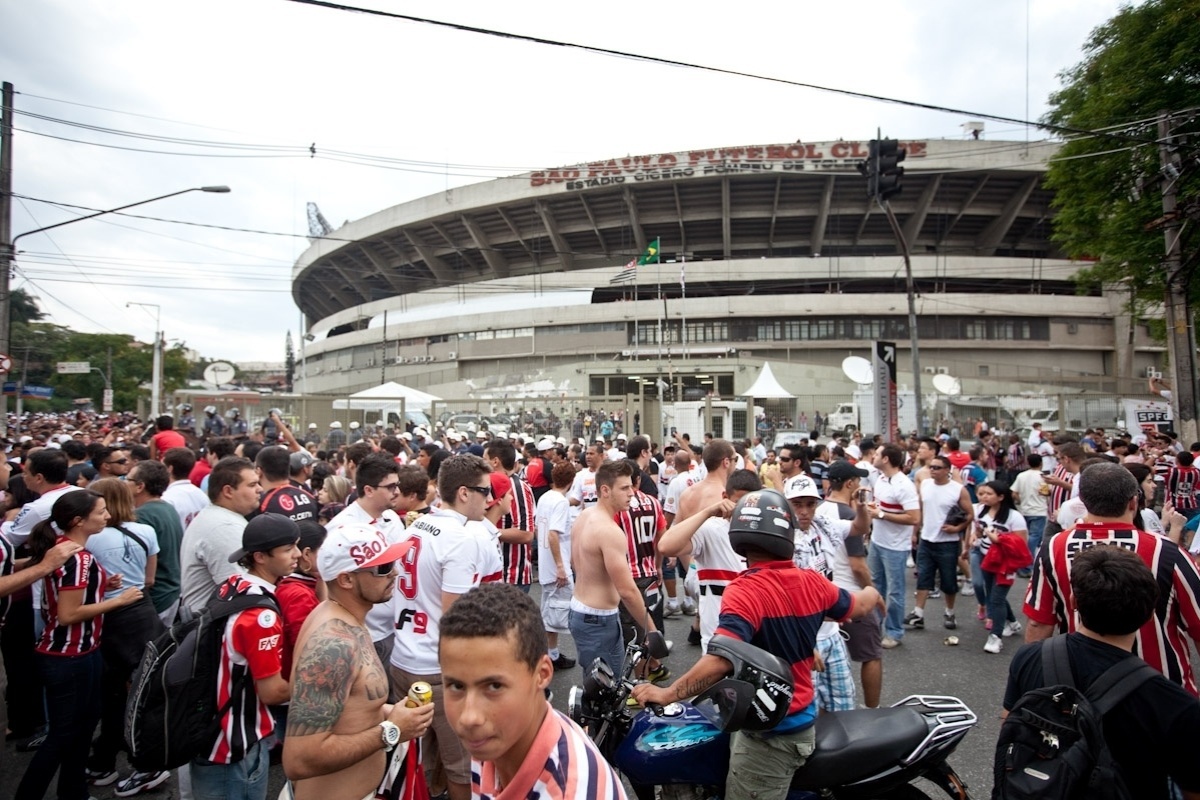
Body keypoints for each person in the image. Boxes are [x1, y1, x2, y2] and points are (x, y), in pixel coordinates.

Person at [632, 490, 881, 800]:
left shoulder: (744, 590)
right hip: (798, 717)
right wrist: (873, 591)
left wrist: (668, 693)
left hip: (772, 735)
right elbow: (857, 606)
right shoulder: (813, 581)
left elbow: (719, 661)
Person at [1002, 546, 1200, 799]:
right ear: (1151, 613)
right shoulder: (1176, 704)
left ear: (1074, 602)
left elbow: (1011, 725)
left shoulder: (1029, 658)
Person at [283, 524, 434, 800]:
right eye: (383, 568)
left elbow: (347, 711)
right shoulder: (334, 645)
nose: (396, 573)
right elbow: (299, 759)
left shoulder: (346, 618)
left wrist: (391, 713)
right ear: (346, 580)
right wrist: (392, 730)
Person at [1024, 461, 1200, 695]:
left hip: (1083, 689)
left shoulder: (1054, 547)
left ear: (1084, 501)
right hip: (1163, 688)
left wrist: (1028, 687)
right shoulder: (1165, 551)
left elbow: (1039, 622)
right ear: (1133, 502)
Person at [440, 583, 628, 800]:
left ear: (542, 674)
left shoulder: (569, 792)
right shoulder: (495, 738)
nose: (469, 717)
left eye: (494, 687)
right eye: (456, 686)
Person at [14, 491, 145, 800]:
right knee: (63, 734)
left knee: (83, 726)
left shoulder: (66, 550)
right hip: (68, 656)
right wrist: (120, 600)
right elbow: (68, 614)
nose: (108, 517)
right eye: (100, 512)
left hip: (78, 653)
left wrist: (102, 585)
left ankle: (73, 792)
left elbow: (67, 596)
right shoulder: (78, 557)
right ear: (78, 521)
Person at [389, 454, 501, 800]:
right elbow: (458, 619)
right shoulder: (462, 537)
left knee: (416, 763)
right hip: (437, 668)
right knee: (462, 768)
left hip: (404, 656)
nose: (492, 498)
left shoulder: (418, 524)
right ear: (464, 493)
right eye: (486, 490)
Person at [191, 513, 299, 800]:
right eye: (288, 549)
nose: (298, 555)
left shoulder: (233, 586)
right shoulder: (261, 615)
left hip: (211, 730)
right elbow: (272, 691)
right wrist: (321, 683)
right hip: (235, 745)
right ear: (261, 557)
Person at [84, 478, 170, 795]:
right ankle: (116, 760)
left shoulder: (88, 540)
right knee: (141, 692)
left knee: (115, 695)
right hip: (143, 610)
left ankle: (124, 763)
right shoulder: (145, 531)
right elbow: (149, 579)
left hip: (109, 615)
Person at [569, 459, 658, 678]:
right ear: (605, 490)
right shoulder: (609, 531)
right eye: (625, 488)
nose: (632, 493)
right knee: (606, 692)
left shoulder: (584, 517)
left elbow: (575, 563)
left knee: (596, 684)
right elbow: (627, 591)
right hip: (598, 618)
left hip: (581, 610)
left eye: (631, 486)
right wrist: (653, 631)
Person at [327, 453, 407, 666]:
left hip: (394, 628)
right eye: (390, 487)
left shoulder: (391, 518)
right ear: (369, 490)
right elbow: (329, 585)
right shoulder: (342, 529)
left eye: (397, 485)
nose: (397, 491)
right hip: (367, 634)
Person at [816, 459, 883, 707]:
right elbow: (858, 565)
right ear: (850, 483)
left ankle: (823, 708)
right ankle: (872, 709)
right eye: (857, 480)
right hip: (851, 596)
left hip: (825, 595)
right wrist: (873, 592)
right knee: (872, 655)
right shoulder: (847, 516)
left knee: (826, 657)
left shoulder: (818, 510)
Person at [179, 456, 261, 616]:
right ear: (228, 491)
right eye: (252, 485)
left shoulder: (223, 518)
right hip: (214, 628)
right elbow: (242, 590)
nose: (260, 489)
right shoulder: (224, 527)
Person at [865, 444, 922, 648]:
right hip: (877, 541)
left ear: (887, 459)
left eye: (878, 454)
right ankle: (874, 627)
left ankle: (894, 631)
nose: (874, 456)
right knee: (874, 586)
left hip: (895, 547)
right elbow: (879, 507)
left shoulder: (904, 485)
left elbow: (914, 517)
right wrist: (874, 511)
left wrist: (881, 515)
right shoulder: (880, 479)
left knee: (894, 592)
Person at [907, 455, 972, 632]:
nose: (932, 471)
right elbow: (919, 510)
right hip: (926, 540)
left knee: (949, 581)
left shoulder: (958, 489)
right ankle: (918, 613)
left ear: (947, 470)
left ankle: (949, 612)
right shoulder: (926, 485)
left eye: (937, 468)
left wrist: (957, 528)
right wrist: (914, 533)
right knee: (923, 577)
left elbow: (970, 514)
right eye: (931, 467)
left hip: (948, 543)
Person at [971, 481, 1028, 654]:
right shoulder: (981, 511)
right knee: (994, 594)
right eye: (982, 493)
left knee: (996, 598)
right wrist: (977, 536)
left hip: (1005, 563)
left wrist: (999, 540)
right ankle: (1012, 622)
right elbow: (978, 530)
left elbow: (1021, 544)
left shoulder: (1014, 517)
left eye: (989, 494)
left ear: (1001, 497)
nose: (984, 497)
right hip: (986, 557)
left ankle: (995, 637)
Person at [129, 458, 187, 625]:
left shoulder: (142, 516)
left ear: (140, 486)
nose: (125, 483)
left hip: (157, 596)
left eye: (129, 479)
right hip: (171, 592)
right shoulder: (167, 508)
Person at [535, 461, 578, 670]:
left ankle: (551, 654)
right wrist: (561, 566)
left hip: (547, 564)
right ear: (571, 481)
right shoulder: (560, 502)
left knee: (550, 614)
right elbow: (553, 533)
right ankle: (547, 656)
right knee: (566, 613)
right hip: (555, 567)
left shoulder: (545, 497)